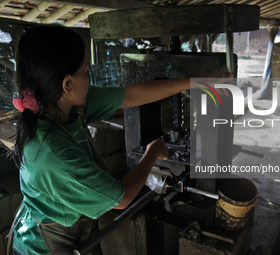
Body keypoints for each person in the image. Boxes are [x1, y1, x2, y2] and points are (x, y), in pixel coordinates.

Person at [8, 26, 231, 255]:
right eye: (85, 71)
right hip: (39, 249)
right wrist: (152, 153)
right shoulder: (54, 156)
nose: (89, 77)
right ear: (67, 84)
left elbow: (130, 95)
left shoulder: (63, 107)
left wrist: (199, 81)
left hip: (67, 228)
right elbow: (121, 198)